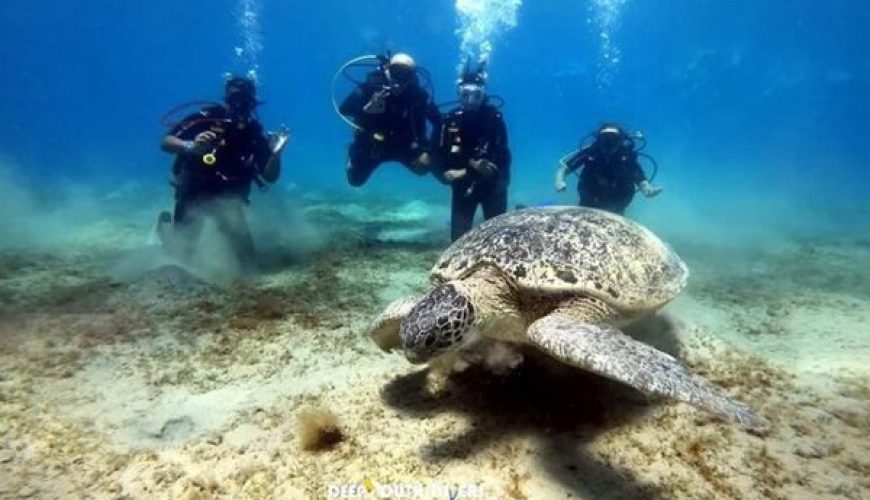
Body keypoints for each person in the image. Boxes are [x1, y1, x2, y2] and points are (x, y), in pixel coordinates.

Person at [157, 76, 288, 268]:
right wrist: (190, 145)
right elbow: (165, 142)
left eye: (245, 100)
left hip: (228, 201)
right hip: (194, 192)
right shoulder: (207, 117)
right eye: (234, 99)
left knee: (248, 262)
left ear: (253, 103)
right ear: (226, 99)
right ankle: (165, 230)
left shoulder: (253, 132)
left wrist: (276, 155)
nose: (239, 104)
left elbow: (270, 177)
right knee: (181, 256)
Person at [432, 63, 511, 241]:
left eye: (476, 95)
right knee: (459, 239)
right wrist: (444, 175)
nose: (470, 100)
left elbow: (501, 155)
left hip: (492, 185)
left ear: (483, 94)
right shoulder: (449, 120)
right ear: (458, 94)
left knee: (497, 238)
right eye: (465, 94)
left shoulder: (494, 119)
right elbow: (436, 154)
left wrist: (468, 170)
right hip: (462, 187)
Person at [338, 52, 439, 187]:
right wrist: (365, 110)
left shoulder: (418, 95)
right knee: (355, 181)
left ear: (412, 76)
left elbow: (438, 121)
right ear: (387, 71)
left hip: (405, 145)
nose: (400, 80)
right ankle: (353, 154)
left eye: (406, 74)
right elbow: (344, 109)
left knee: (425, 168)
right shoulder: (371, 87)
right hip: (373, 145)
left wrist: (428, 151)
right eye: (397, 72)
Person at [554, 123, 662, 214]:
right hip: (590, 198)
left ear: (620, 140)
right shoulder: (591, 151)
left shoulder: (626, 155)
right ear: (599, 139)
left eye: (613, 140)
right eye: (605, 139)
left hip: (617, 200)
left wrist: (647, 188)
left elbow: (637, 174)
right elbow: (564, 167)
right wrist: (559, 181)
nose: (608, 144)